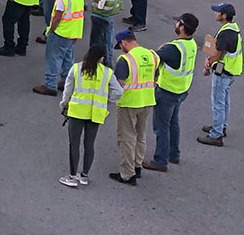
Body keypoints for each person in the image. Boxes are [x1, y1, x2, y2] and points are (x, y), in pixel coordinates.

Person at [59, 44, 123, 187]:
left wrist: (64, 105)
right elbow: (119, 91)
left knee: (74, 144)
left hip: (77, 111)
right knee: (89, 144)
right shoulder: (107, 72)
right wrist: (107, 100)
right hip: (95, 113)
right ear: (101, 58)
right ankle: (84, 176)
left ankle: (72, 176)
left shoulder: (76, 68)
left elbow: (67, 90)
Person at [145, 13, 198, 171]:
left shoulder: (174, 48)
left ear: (182, 27)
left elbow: (153, 57)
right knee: (173, 123)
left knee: (161, 126)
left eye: (178, 23)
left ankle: (160, 161)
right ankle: (173, 154)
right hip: (181, 90)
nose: (176, 25)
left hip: (167, 91)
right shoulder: (191, 44)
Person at [110, 29, 157, 184]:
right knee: (140, 135)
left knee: (126, 138)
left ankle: (127, 174)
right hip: (147, 101)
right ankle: (137, 166)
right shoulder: (152, 55)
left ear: (124, 43)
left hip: (129, 103)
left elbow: (119, 84)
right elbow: (156, 78)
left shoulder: (125, 60)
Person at [35, 0, 85, 96]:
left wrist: (51, 30)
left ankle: (50, 85)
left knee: (53, 58)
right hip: (74, 32)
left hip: (61, 32)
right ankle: (66, 82)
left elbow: (57, 16)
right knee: (68, 58)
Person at [199, 2, 239, 147]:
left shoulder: (225, 33)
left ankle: (216, 135)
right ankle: (221, 126)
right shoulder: (233, 28)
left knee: (218, 102)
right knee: (225, 100)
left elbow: (217, 54)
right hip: (230, 71)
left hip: (222, 71)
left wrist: (208, 64)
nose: (215, 14)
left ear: (224, 16)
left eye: (218, 12)